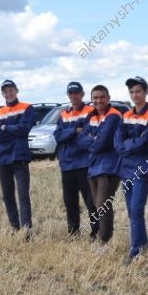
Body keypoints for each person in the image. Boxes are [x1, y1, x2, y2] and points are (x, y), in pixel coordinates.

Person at [116, 76, 148, 262]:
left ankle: (135, 252)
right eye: (132, 92)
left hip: (141, 170)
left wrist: (128, 144)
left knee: (136, 209)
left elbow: (145, 142)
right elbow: (117, 142)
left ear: (146, 92)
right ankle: (141, 245)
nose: (135, 95)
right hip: (125, 169)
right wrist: (128, 144)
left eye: (138, 91)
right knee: (132, 211)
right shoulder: (125, 116)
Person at [53, 81, 97, 239]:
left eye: (76, 93)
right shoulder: (64, 114)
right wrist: (73, 131)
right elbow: (57, 136)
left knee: (90, 200)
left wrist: (69, 134)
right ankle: (73, 232)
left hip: (84, 162)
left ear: (82, 94)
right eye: (71, 93)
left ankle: (95, 232)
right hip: (67, 164)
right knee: (69, 201)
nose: (74, 96)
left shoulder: (90, 112)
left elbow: (87, 135)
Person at [81, 84, 122, 249]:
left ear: (108, 98)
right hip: (93, 166)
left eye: (101, 97)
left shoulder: (114, 116)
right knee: (98, 204)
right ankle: (103, 236)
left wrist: (92, 139)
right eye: (95, 98)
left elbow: (102, 143)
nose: (98, 100)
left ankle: (104, 240)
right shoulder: (91, 116)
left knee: (102, 204)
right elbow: (80, 139)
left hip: (109, 167)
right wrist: (93, 139)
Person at [0, 79, 35, 234]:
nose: (9, 93)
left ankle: (27, 230)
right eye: (6, 91)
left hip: (19, 156)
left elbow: (24, 129)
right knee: (7, 195)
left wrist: (6, 127)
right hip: (2, 157)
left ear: (16, 91)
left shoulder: (27, 108)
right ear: (2, 94)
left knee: (23, 194)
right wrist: (12, 129)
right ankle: (15, 227)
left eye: (11, 90)